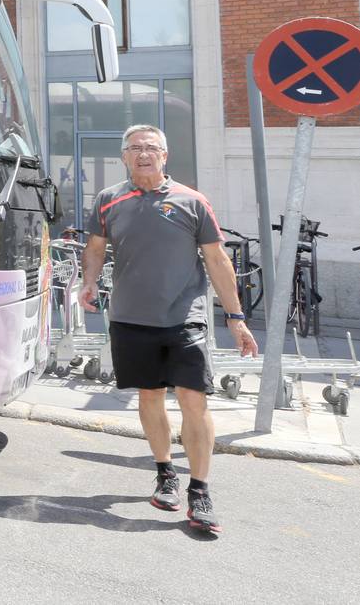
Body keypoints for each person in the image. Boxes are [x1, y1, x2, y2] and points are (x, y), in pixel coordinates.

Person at [82, 124, 258, 534]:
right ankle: (165, 472)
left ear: (166, 156)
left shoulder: (192, 201)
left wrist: (236, 319)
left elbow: (217, 260)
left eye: (151, 148)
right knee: (150, 396)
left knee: (194, 400)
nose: (143, 154)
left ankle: (200, 491)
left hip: (185, 318)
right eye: (135, 148)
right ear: (124, 156)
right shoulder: (109, 201)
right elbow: (95, 247)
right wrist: (89, 282)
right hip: (130, 317)